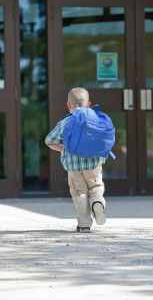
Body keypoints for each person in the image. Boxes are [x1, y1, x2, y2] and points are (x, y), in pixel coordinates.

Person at [45, 87, 107, 233]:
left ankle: (84, 224)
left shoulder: (65, 122)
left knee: (79, 192)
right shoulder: (96, 119)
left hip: (73, 167)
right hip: (93, 163)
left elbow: (49, 141)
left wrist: (62, 148)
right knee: (95, 187)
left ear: (68, 105)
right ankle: (97, 203)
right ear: (88, 104)